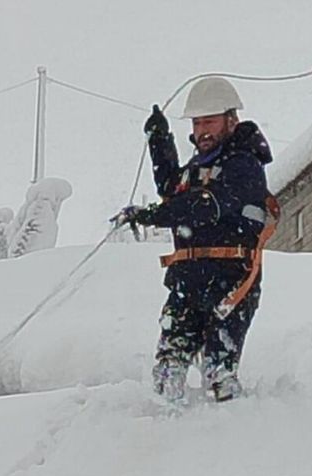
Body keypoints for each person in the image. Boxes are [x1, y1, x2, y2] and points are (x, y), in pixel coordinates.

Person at [113, 77, 276, 402]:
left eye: (210, 122)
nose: (202, 130)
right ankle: (166, 437)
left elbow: (204, 206)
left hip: (231, 281)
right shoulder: (197, 167)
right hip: (188, 281)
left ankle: (233, 437)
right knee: (168, 370)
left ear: (232, 120)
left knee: (219, 374)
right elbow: (173, 189)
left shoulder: (244, 164)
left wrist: (151, 215)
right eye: (197, 122)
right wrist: (160, 141)